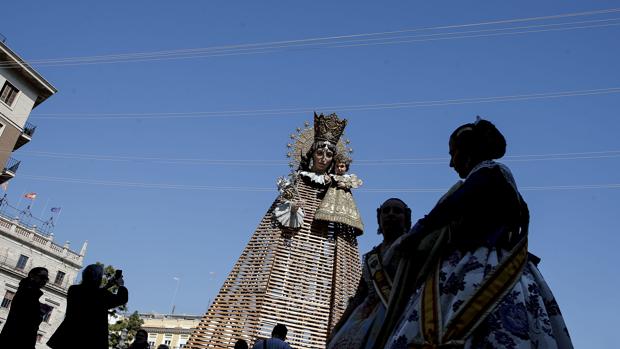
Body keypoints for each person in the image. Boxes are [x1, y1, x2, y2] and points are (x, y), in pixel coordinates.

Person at [379, 118, 573, 348]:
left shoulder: (489, 174)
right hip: (501, 262)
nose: (451, 163)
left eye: (453, 154)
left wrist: (415, 234)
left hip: (479, 265)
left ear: (467, 153)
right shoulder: (498, 177)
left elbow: (448, 209)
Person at [327, 198, 411, 349]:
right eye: (386, 211)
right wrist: (338, 327)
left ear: (406, 218)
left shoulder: (413, 246)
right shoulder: (372, 257)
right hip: (362, 317)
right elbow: (360, 295)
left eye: (397, 211)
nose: (390, 214)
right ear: (379, 218)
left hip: (398, 313)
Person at [48, 264, 129, 349]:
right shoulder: (102, 295)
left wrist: (106, 286)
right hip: (91, 341)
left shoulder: (74, 290)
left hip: (68, 337)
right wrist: (121, 285)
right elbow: (122, 299)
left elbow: (92, 296)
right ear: (98, 278)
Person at [0, 267, 50, 349]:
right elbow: (26, 319)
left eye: (46, 279)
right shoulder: (28, 292)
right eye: (42, 277)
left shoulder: (30, 292)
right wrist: (40, 313)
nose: (44, 281)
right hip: (18, 339)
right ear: (32, 275)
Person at [315, 153, 364, 234]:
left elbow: (358, 183)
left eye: (342, 166)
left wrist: (345, 185)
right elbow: (328, 183)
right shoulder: (332, 176)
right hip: (331, 198)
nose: (339, 168)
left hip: (345, 199)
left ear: (346, 168)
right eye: (337, 166)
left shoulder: (349, 177)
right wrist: (327, 180)